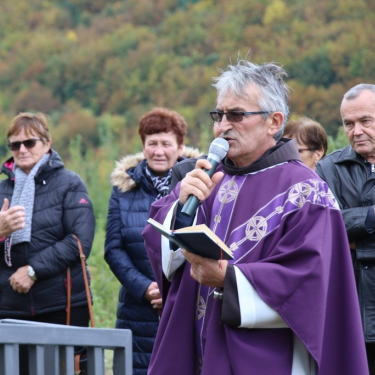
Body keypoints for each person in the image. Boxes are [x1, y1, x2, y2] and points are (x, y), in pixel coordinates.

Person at [142, 60, 368, 375]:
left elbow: (311, 287)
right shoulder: (201, 178)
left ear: (274, 122)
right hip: (190, 346)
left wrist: (229, 279)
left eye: (236, 115)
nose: (222, 126)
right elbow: (158, 243)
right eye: (218, 115)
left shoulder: (307, 193)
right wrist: (180, 208)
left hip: (264, 356)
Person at [0, 112, 95, 374]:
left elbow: (80, 242)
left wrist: (33, 270)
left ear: (47, 144)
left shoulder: (70, 183)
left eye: (29, 143)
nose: (22, 150)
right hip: (12, 307)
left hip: (64, 303)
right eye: (15, 144)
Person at [104, 107, 200, 374]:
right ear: (143, 146)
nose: (159, 151)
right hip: (137, 310)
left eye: (166, 144)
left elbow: (204, 242)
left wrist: (172, 288)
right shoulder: (123, 189)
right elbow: (113, 249)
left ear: (180, 147)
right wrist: (146, 288)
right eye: (152, 143)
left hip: (185, 305)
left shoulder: (201, 185)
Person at [316, 83, 375, 374]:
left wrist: (357, 240)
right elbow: (325, 228)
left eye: (366, 121)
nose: (356, 131)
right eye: (348, 124)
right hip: (350, 306)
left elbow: (343, 230)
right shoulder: (328, 169)